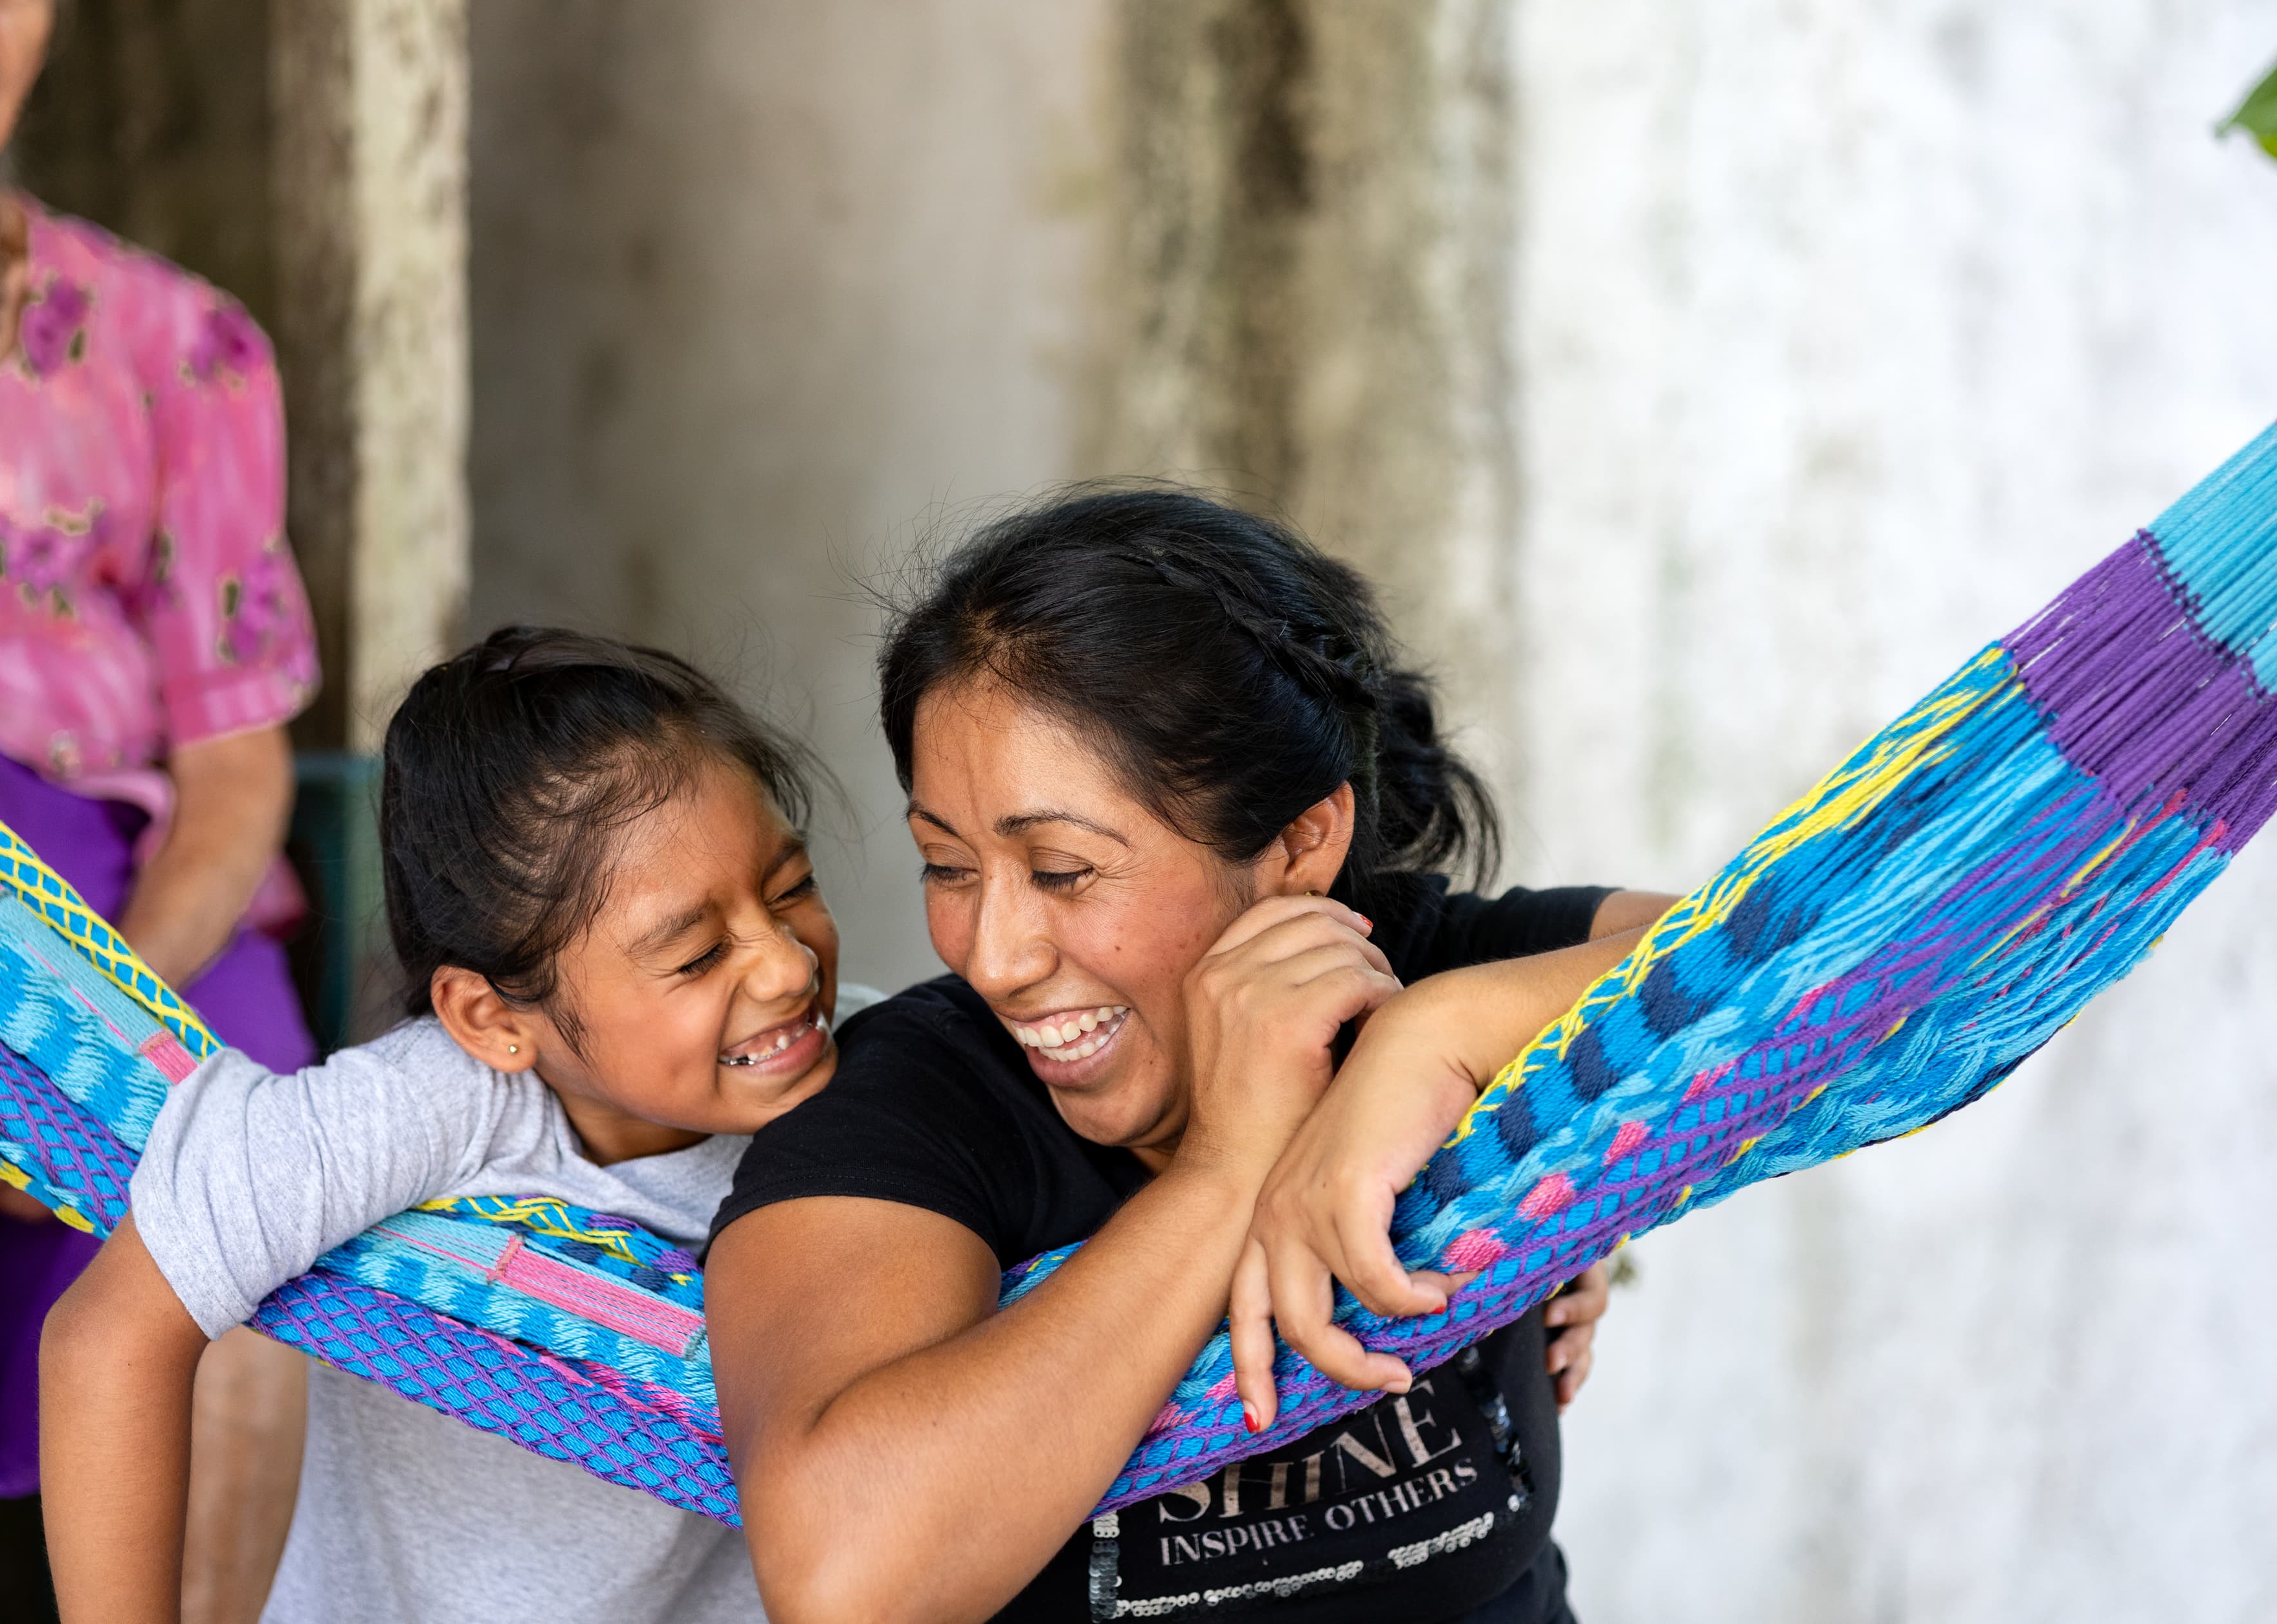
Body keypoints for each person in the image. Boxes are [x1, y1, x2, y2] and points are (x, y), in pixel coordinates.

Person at [707, 489, 1665, 1623]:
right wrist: (1231, 1165)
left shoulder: (1434, 970)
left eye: (1061, 870)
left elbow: (1872, 954)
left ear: (1303, 841)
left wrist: (1443, 1040)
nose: (996, 956)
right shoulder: (923, 1108)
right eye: (948, 866)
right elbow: (843, 1577)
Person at [0, 0, 317, 1607]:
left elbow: (238, 771)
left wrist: (69, 1051)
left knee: (260, 1216)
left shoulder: (176, 344)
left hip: (120, 946)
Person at [41, 630, 850, 1624]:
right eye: (694, 956)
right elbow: (109, 1333)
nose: (786, 967)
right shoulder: (433, 1107)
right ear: (491, 1018)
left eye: (791, 889)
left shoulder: (883, 1089)